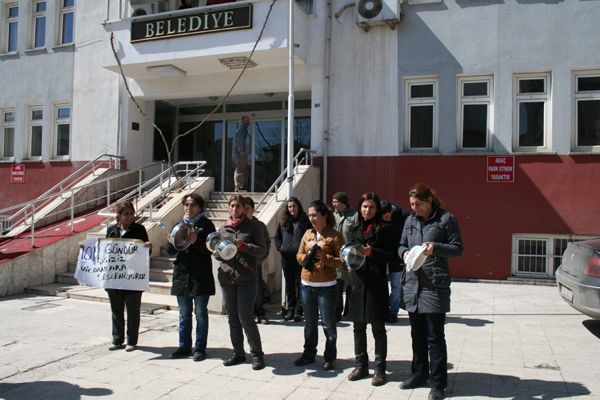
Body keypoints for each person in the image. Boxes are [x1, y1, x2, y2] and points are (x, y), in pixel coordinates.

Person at [398, 183, 463, 400]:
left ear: (429, 201)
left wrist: (436, 248)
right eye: (412, 204)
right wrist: (404, 253)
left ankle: (438, 384)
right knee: (416, 334)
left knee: (435, 337)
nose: (415, 208)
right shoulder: (409, 220)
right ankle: (418, 373)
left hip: (434, 286)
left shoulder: (446, 219)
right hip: (412, 285)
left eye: (418, 204)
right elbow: (400, 245)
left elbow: (457, 249)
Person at [344, 193, 396, 386]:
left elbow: (393, 257)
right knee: (358, 326)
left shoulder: (385, 229)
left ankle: (380, 369)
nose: (367, 210)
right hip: (357, 281)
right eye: (364, 206)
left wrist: (372, 252)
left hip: (376, 283)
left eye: (371, 207)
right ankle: (361, 365)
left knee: (377, 327)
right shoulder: (355, 228)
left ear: (377, 209)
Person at [217, 194, 268, 370]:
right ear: (228, 207)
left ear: (243, 208)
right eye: (231, 206)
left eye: (238, 206)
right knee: (232, 318)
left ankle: (257, 354)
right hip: (227, 278)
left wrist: (244, 246)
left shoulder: (254, 226)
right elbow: (218, 252)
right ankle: (238, 353)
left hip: (247, 278)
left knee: (245, 317)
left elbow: (262, 251)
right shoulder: (223, 228)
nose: (234, 209)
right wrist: (217, 252)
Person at [294, 200, 344, 371]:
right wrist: (305, 258)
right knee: (310, 322)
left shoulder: (335, 236)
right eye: (309, 215)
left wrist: (325, 258)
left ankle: (330, 357)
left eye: (314, 215)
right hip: (306, 284)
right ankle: (309, 354)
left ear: (324, 216)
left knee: (328, 323)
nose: (311, 218)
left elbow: (341, 262)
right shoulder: (307, 233)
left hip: (327, 286)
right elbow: (298, 255)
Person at [168, 193, 216, 361]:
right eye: (186, 205)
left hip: (200, 276)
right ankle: (184, 346)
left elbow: (211, 250)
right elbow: (170, 251)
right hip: (182, 275)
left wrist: (197, 241)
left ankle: (200, 348)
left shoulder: (207, 225)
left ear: (200, 207)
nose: (189, 208)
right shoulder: (179, 224)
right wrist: (172, 241)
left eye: (193, 205)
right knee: (184, 313)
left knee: (201, 313)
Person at [105, 201, 152, 352]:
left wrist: (148, 247)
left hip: (133, 278)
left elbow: (146, 252)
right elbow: (105, 251)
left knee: (133, 311)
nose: (130, 217)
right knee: (116, 311)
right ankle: (117, 339)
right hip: (115, 277)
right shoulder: (111, 230)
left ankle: (132, 340)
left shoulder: (139, 229)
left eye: (131, 214)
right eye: (126, 214)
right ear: (119, 216)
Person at [275, 197, 311, 322]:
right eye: (290, 207)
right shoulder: (283, 222)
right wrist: (281, 248)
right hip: (286, 259)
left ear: (298, 207)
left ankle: (299, 311)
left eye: (294, 206)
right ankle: (291, 309)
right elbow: (277, 238)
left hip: (300, 258)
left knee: (300, 284)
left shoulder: (305, 221)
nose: (292, 209)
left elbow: (310, 237)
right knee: (289, 285)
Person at [243, 196, 271, 325]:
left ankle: (260, 313)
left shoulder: (259, 226)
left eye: (247, 208)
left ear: (253, 210)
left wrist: (259, 260)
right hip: (240, 265)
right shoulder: (238, 226)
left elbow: (266, 244)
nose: (244, 211)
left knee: (257, 289)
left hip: (255, 264)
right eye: (242, 208)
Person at [331, 191, 358, 320]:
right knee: (337, 286)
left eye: (336, 202)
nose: (333, 204)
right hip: (337, 255)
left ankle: (349, 312)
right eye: (333, 202)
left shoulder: (355, 216)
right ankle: (336, 312)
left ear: (343, 203)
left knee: (351, 286)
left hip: (351, 255)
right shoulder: (333, 216)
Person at [380, 200, 408, 323]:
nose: (385, 218)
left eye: (387, 216)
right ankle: (383, 310)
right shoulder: (377, 216)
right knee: (381, 286)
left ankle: (393, 312)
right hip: (381, 257)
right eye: (383, 217)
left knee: (397, 287)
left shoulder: (403, 216)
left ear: (391, 210)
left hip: (397, 257)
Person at [233, 115, 251, 192]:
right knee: (240, 169)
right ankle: (238, 187)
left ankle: (241, 186)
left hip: (243, 154)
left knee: (243, 170)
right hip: (241, 154)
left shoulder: (244, 129)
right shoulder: (241, 129)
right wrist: (242, 152)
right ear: (242, 120)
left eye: (248, 120)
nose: (248, 121)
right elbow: (240, 142)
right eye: (246, 120)